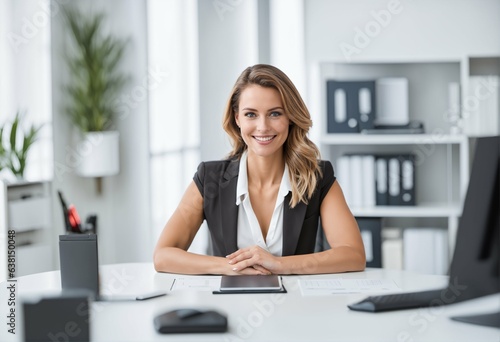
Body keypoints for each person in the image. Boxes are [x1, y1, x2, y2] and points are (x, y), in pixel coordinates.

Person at [154, 64, 366, 275]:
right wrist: (230, 267)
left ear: (290, 117)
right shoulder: (210, 179)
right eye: (251, 114)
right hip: (228, 305)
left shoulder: (318, 177)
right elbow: (163, 255)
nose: (263, 127)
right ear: (237, 118)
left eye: (275, 114)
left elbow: (353, 255)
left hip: (297, 304)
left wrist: (279, 264)